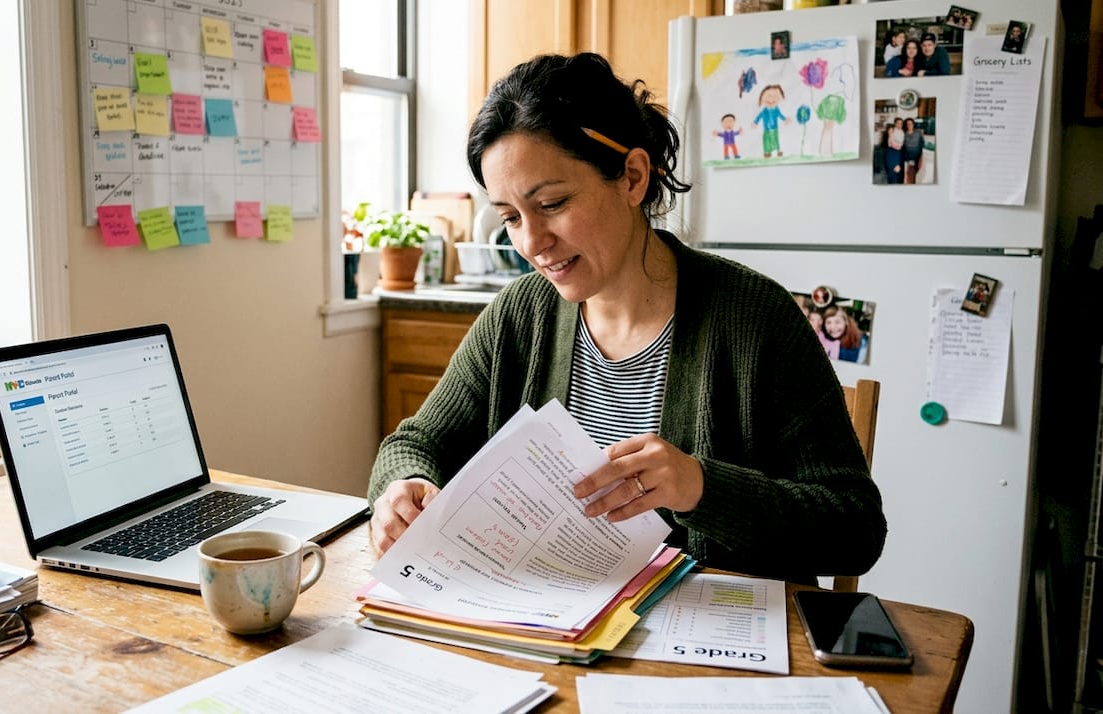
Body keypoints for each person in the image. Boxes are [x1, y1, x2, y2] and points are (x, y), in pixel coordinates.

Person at [367, 52, 886, 585]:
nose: (532, 242)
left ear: (633, 177)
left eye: (552, 204)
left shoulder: (754, 320)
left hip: (708, 630)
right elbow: (413, 444)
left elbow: (857, 529)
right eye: (511, 217)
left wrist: (701, 487)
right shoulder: (519, 316)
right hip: (550, 616)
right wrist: (402, 489)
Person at [753, 84, 789, 159]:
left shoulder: (776, 109)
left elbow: (780, 115)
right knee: (766, 141)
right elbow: (759, 116)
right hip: (766, 129)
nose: (771, 99)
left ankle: (778, 151)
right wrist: (755, 122)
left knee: (775, 140)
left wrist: (785, 119)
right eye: (769, 96)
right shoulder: (764, 110)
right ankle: (767, 152)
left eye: (775, 96)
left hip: (774, 128)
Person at [902, 117, 923, 184]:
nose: (909, 125)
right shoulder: (904, 133)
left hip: (917, 155)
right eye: (907, 124)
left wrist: (920, 154)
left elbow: (921, 143)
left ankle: (913, 184)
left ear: (913, 124)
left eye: (910, 124)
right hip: (907, 155)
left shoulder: (918, 132)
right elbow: (903, 145)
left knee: (917, 173)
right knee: (909, 172)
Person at [884, 118, 904, 184]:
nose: (900, 125)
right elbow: (890, 143)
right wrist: (897, 145)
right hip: (891, 152)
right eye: (898, 123)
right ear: (895, 123)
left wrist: (897, 145)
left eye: (901, 123)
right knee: (892, 170)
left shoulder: (902, 132)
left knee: (898, 171)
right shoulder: (891, 130)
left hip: (898, 153)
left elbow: (900, 145)